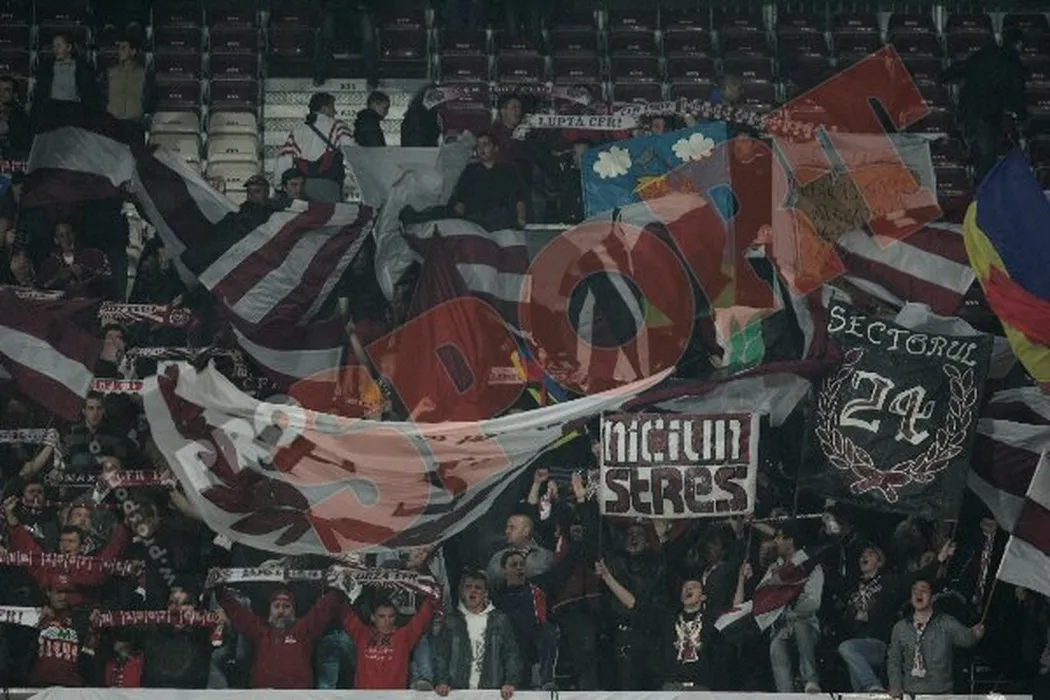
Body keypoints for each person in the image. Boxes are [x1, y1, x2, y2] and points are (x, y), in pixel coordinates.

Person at [835, 540, 955, 693]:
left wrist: (939, 558)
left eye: (870, 554)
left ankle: (874, 685)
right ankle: (872, 691)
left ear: (879, 561)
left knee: (847, 648)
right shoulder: (853, 586)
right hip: (857, 644)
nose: (864, 557)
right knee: (858, 686)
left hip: (879, 644)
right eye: (862, 555)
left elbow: (916, 577)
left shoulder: (889, 582)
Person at [941, 27, 1028, 183]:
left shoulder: (985, 54)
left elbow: (961, 68)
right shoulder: (1015, 65)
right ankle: (981, 191)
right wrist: (1022, 117)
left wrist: (941, 77)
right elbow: (1017, 96)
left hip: (967, 109)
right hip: (988, 115)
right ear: (1019, 44)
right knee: (986, 160)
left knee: (977, 151)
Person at [214, 584, 342, 689]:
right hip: (263, 695)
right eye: (276, 606)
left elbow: (323, 609)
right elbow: (238, 613)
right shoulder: (260, 630)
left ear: (293, 611)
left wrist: (339, 586)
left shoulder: (303, 629)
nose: (281, 611)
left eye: (286, 606)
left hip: (297, 695)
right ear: (270, 610)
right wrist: (219, 590)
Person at [887, 578, 985, 697]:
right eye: (915, 591)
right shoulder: (900, 627)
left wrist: (975, 633)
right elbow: (894, 660)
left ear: (932, 597)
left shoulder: (946, 622)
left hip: (941, 694)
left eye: (923, 590)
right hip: (911, 693)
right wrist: (895, 685)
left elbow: (965, 639)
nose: (918, 594)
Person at [434, 569, 522, 698]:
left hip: (491, 693)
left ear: (486, 593)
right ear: (461, 591)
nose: (473, 590)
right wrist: (442, 681)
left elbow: (511, 654)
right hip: (457, 693)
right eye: (468, 587)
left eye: (478, 588)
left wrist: (510, 682)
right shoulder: (451, 621)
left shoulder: (500, 620)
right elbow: (441, 655)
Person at [340, 584, 438, 689]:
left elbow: (424, 616)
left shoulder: (404, 636)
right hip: (364, 695)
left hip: (395, 695)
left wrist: (433, 592)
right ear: (373, 617)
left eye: (391, 616)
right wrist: (337, 587)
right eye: (381, 616)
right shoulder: (362, 633)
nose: (387, 621)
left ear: (396, 617)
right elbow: (343, 610)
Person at [273, 92, 352, 203]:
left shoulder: (298, 130)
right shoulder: (338, 126)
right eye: (332, 107)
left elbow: (284, 159)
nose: (335, 112)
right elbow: (351, 153)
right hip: (329, 187)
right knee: (329, 214)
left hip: (302, 187)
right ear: (324, 108)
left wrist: (278, 186)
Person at [449, 132, 527, 231]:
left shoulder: (508, 170)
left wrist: (521, 218)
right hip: (475, 222)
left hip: (502, 221)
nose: (481, 149)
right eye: (478, 146)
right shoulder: (470, 171)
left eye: (485, 144)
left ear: (495, 148)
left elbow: (520, 196)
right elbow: (460, 198)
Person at [37, 219, 113, 298]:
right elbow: (41, 288)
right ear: (56, 240)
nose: (67, 239)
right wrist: (58, 277)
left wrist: (87, 272)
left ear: (74, 235)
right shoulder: (49, 264)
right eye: (62, 236)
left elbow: (108, 277)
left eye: (68, 234)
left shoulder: (94, 255)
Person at [31, 32, 101, 118]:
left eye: (59, 46)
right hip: (53, 109)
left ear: (69, 47)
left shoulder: (82, 67)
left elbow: (89, 94)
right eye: (54, 46)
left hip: (73, 109)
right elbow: (40, 94)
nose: (55, 49)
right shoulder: (47, 68)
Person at [487, 511, 555, 587]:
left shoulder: (546, 557)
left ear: (526, 531)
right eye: (507, 528)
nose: (507, 531)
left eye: (512, 528)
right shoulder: (497, 558)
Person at [104, 34, 149, 127]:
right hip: (113, 121)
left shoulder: (143, 73)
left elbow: (148, 97)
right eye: (119, 48)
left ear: (133, 51)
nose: (119, 51)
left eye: (123, 48)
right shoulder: (110, 72)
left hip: (135, 121)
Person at [0, 75, 31, 159]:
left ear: (14, 94)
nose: (1, 94)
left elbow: (24, 148)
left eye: (6, 90)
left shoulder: (21, 117)